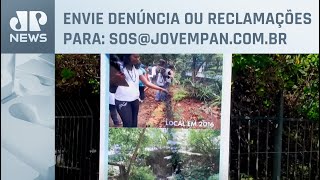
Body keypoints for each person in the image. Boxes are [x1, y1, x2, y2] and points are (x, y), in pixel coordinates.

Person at [114, 54, 168, 127]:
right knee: (128, 124)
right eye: (135, 57)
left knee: (134, 124)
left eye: (138, 57)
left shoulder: (137, 70)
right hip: (122, 100)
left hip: (135, 99)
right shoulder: (119, 68)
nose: (138, 59)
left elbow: (147, 83)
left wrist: (161, 89)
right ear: (128, 56)